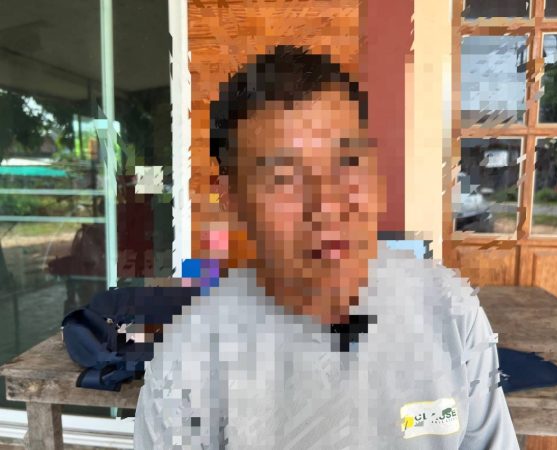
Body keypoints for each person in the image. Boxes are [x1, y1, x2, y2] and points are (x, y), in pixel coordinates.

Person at [134, 45, 520, 449]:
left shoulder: (451, 313)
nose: (328, 205)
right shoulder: (189, 362)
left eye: (347, 162)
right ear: (230, 196)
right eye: (284, 177)